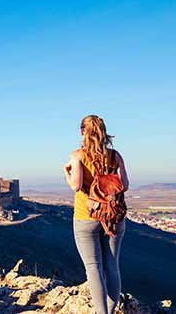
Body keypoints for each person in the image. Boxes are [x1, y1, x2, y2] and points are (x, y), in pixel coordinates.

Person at [63, 115, 129, 314]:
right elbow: (124, 185)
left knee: (93, 268)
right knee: (112, 266)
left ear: (83, 131)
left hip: (86, 217)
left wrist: (66, 172)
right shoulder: (115, 155)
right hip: (114, 217)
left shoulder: (78, 156)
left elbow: (76, 186)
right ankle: (110, 309)